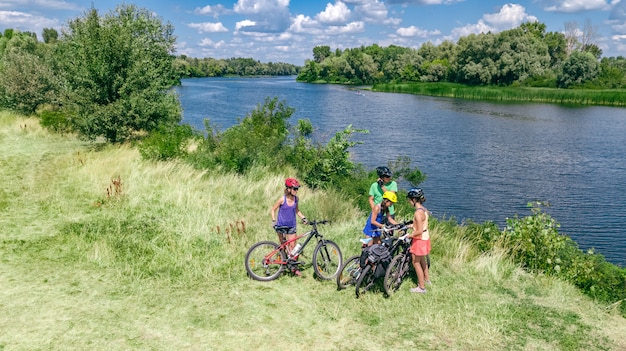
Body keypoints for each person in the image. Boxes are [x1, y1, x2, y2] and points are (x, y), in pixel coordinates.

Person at [270, 178, 308, 276]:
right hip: (281, 226)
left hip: (291, 226)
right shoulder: (282, 199)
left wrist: (303, 218)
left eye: (297, 189)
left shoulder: (296, 199)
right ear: (289, 189)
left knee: (293, 248)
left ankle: (294, 268)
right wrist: (273, 221)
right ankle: (282, 267)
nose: (296, 191)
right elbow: (273, 210)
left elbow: (297, 210)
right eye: (294, 189)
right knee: (283, 247)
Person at [407, 188, 431, 294]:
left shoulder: (417, 213)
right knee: (422, 260)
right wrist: (411, 225)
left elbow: (419, 231)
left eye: (409, 199)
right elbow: (421, 225)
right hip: (426, 237)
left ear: (413, 200)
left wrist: (410, 235)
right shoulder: (424, 210)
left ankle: (421, 287)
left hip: (419, 239)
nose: (408, 201)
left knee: (415, 262)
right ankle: (427, 279)